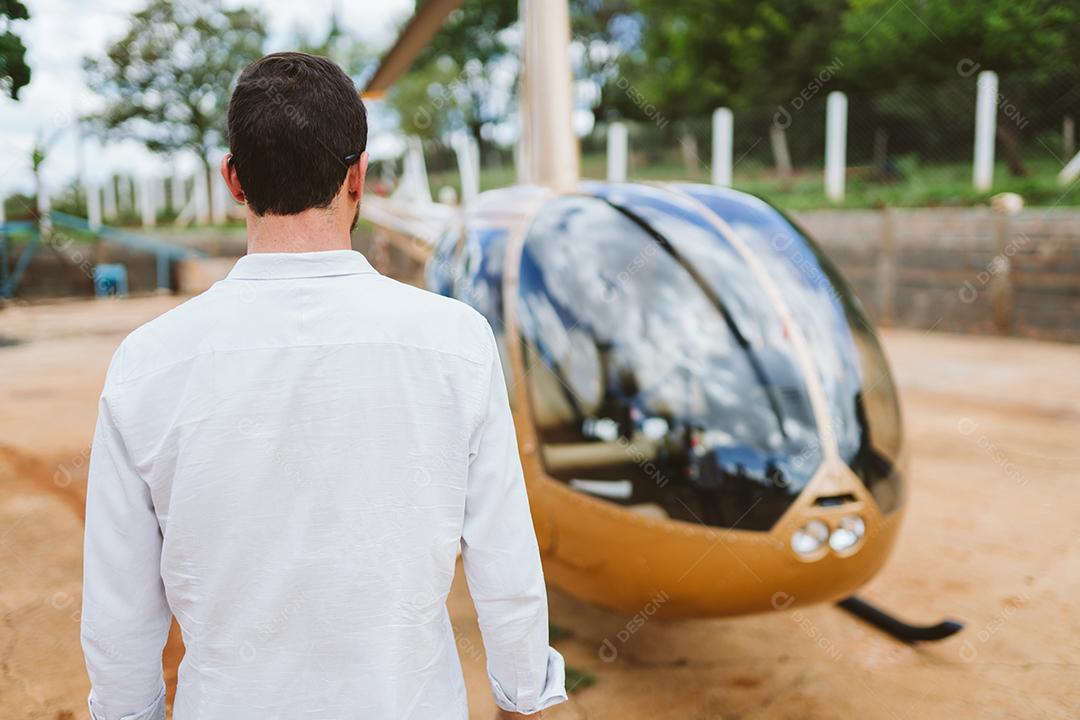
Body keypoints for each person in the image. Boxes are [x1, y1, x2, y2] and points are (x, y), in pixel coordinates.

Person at [80, 51, 566, 720]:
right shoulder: (456, 342)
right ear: (358, 176)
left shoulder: (146, 363)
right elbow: (506, 570)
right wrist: (527, 699)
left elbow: (119, 611)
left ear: (233, 180)